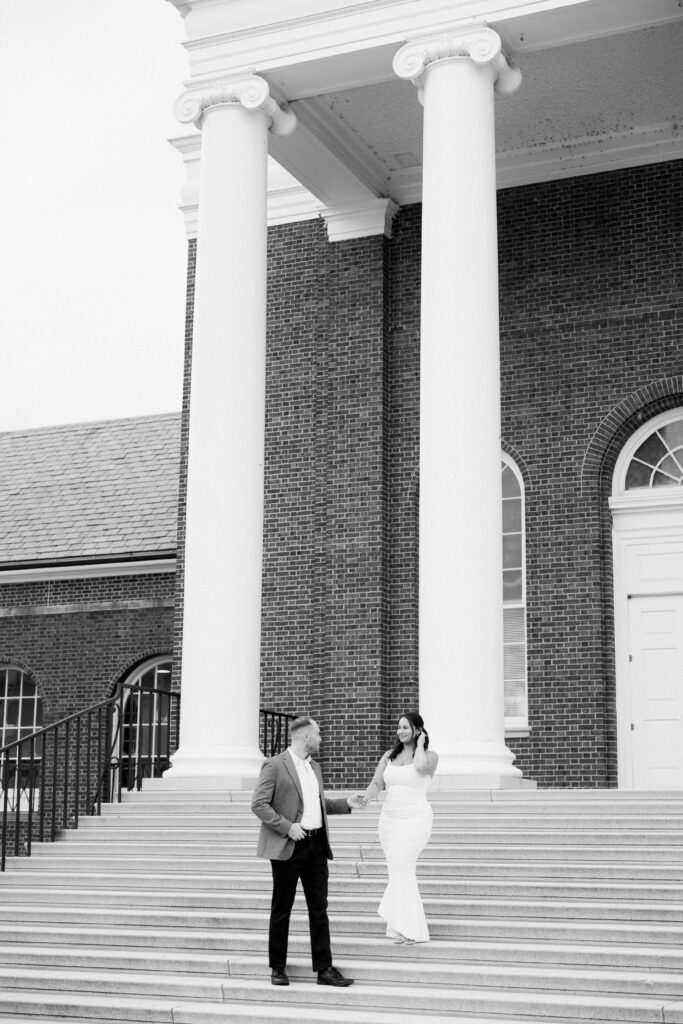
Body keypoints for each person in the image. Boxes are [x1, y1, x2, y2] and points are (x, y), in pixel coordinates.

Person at [251, 715, 365, 987]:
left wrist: (346, 803)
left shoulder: (315, 768)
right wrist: (288, 827)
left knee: (319, 909)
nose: (321, 739)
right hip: (288, 846)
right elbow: (259, 804)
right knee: (282, 908)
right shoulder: (274, 765)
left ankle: (324, 969)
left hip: (316, 846)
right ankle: (277, 967)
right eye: (318, 735)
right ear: (305, 737)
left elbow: (318, 803)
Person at [360, 711, 438, 943]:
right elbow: (377, 783)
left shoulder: (430, 756)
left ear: (418, 729)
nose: (400, 731)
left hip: (416, 818)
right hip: (390, 821)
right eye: (399, 727)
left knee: (403, 867)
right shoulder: (388, 756)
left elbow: (422, 767)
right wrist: (365, 797)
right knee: (398, 872)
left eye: (405, 727)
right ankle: (400, 928)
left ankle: (411, 929)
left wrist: (421, 744)